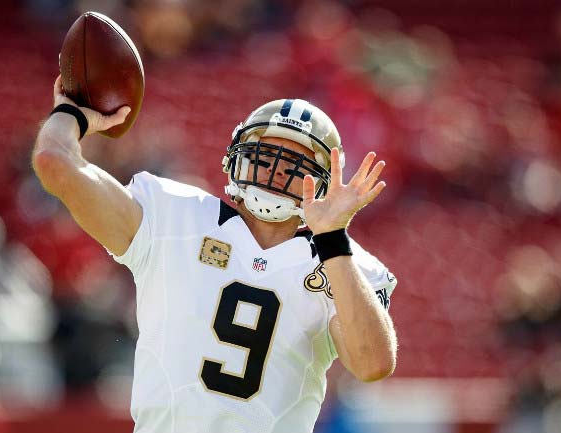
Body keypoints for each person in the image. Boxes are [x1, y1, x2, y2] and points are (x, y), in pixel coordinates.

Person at [32, 76, 398, 433]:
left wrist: (333, 240)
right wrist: (72, 114)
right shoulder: (173, 215)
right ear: (237, 156)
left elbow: (372, 365)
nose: (274, 172)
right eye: (266, 157)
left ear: (323, 184)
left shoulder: (342, 263)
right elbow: (55, 163)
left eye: (293, 167)